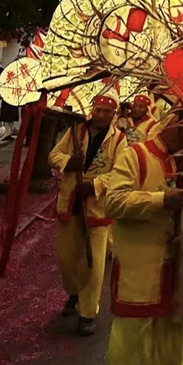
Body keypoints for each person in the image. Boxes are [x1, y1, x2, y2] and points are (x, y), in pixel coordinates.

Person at [96, 110, 183, 365]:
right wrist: (160, 200)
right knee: (127, 364)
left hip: (181, 278)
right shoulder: (135, 155)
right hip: (140, 275)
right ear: (169, 121)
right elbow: (114, 202)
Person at [48, 94, 127, 336]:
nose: (101, 114)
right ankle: (74, 291)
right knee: (66, 258)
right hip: (70, 204)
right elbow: (53, 155)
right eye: (98, 110)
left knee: (93, 264)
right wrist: (68, 161)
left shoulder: (120, 140)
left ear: (114, 115)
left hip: (97, 209)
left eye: (106, 111)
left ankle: (87, 312)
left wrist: (94, 186)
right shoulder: (74, 132)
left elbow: (120, 173)